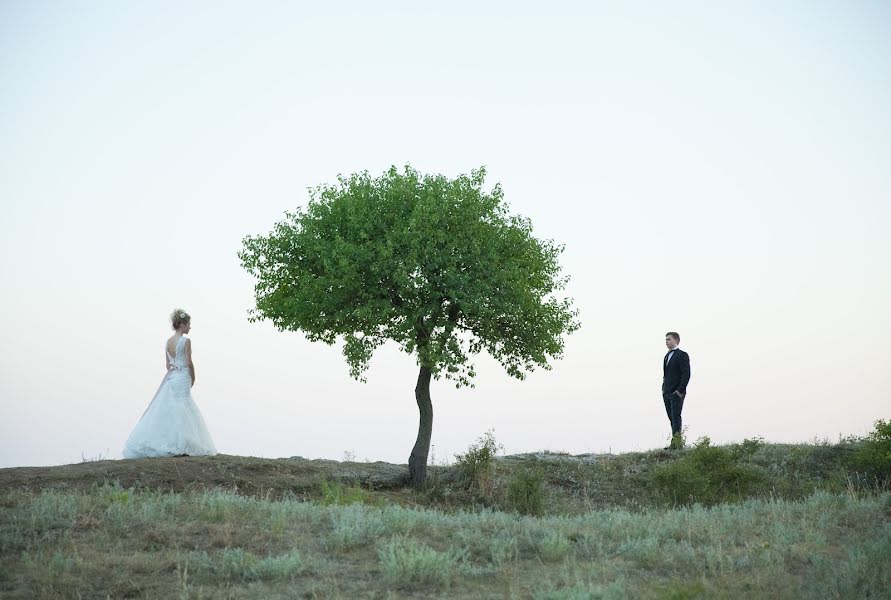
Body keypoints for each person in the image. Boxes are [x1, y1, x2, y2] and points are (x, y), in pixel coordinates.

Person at [123, 309, 217, 458]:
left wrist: (175, 372)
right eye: (188, 324)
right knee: (183, 407)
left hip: (172, 377)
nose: (190, 327)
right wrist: (193, 377)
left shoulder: (168, 342)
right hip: (183, 375)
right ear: (181, 324)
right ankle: (181, 444)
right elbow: (188, 362)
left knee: (171, 408)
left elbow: (168, 364)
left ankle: (173, 443)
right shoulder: (186, 341)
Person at [662, 331, 690, 449]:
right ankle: (674, 443)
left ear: (676, 340)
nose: (666, 342)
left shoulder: (682, 355)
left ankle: (677, 445)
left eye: (669, 339)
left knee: (676, 417)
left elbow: (686, 374)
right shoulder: (667, 356)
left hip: (676, 393)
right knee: (671, 417)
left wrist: (680, 390)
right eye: (666, 340)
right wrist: (663, 388)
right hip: (667, 392)